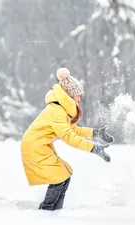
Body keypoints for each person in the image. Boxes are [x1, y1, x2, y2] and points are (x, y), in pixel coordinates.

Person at [20, 67, 114, 211]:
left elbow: (73, 130)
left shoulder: (59, 109)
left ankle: (56, 212)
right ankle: (46, 212)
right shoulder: (57, 111)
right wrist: (93, 148)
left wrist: (96, 133)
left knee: (64, 176)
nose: (79, 99)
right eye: (77, 95)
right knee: (59, 177)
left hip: (38, 146)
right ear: (69, 96)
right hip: (35, 148)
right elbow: (69, 137)